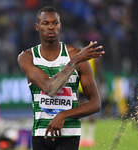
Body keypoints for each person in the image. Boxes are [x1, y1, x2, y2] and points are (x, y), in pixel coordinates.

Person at [17, 6, 104, 150]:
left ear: (60, 26)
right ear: (37, 27)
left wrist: (64, 115)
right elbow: (49, 88)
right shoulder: (27, 57)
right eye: (46, 23)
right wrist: (74, 62)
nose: (51, 27)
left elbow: (95, 103)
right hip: (41, 134)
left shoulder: (76, 55)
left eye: (55, 23)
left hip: (69, 135)